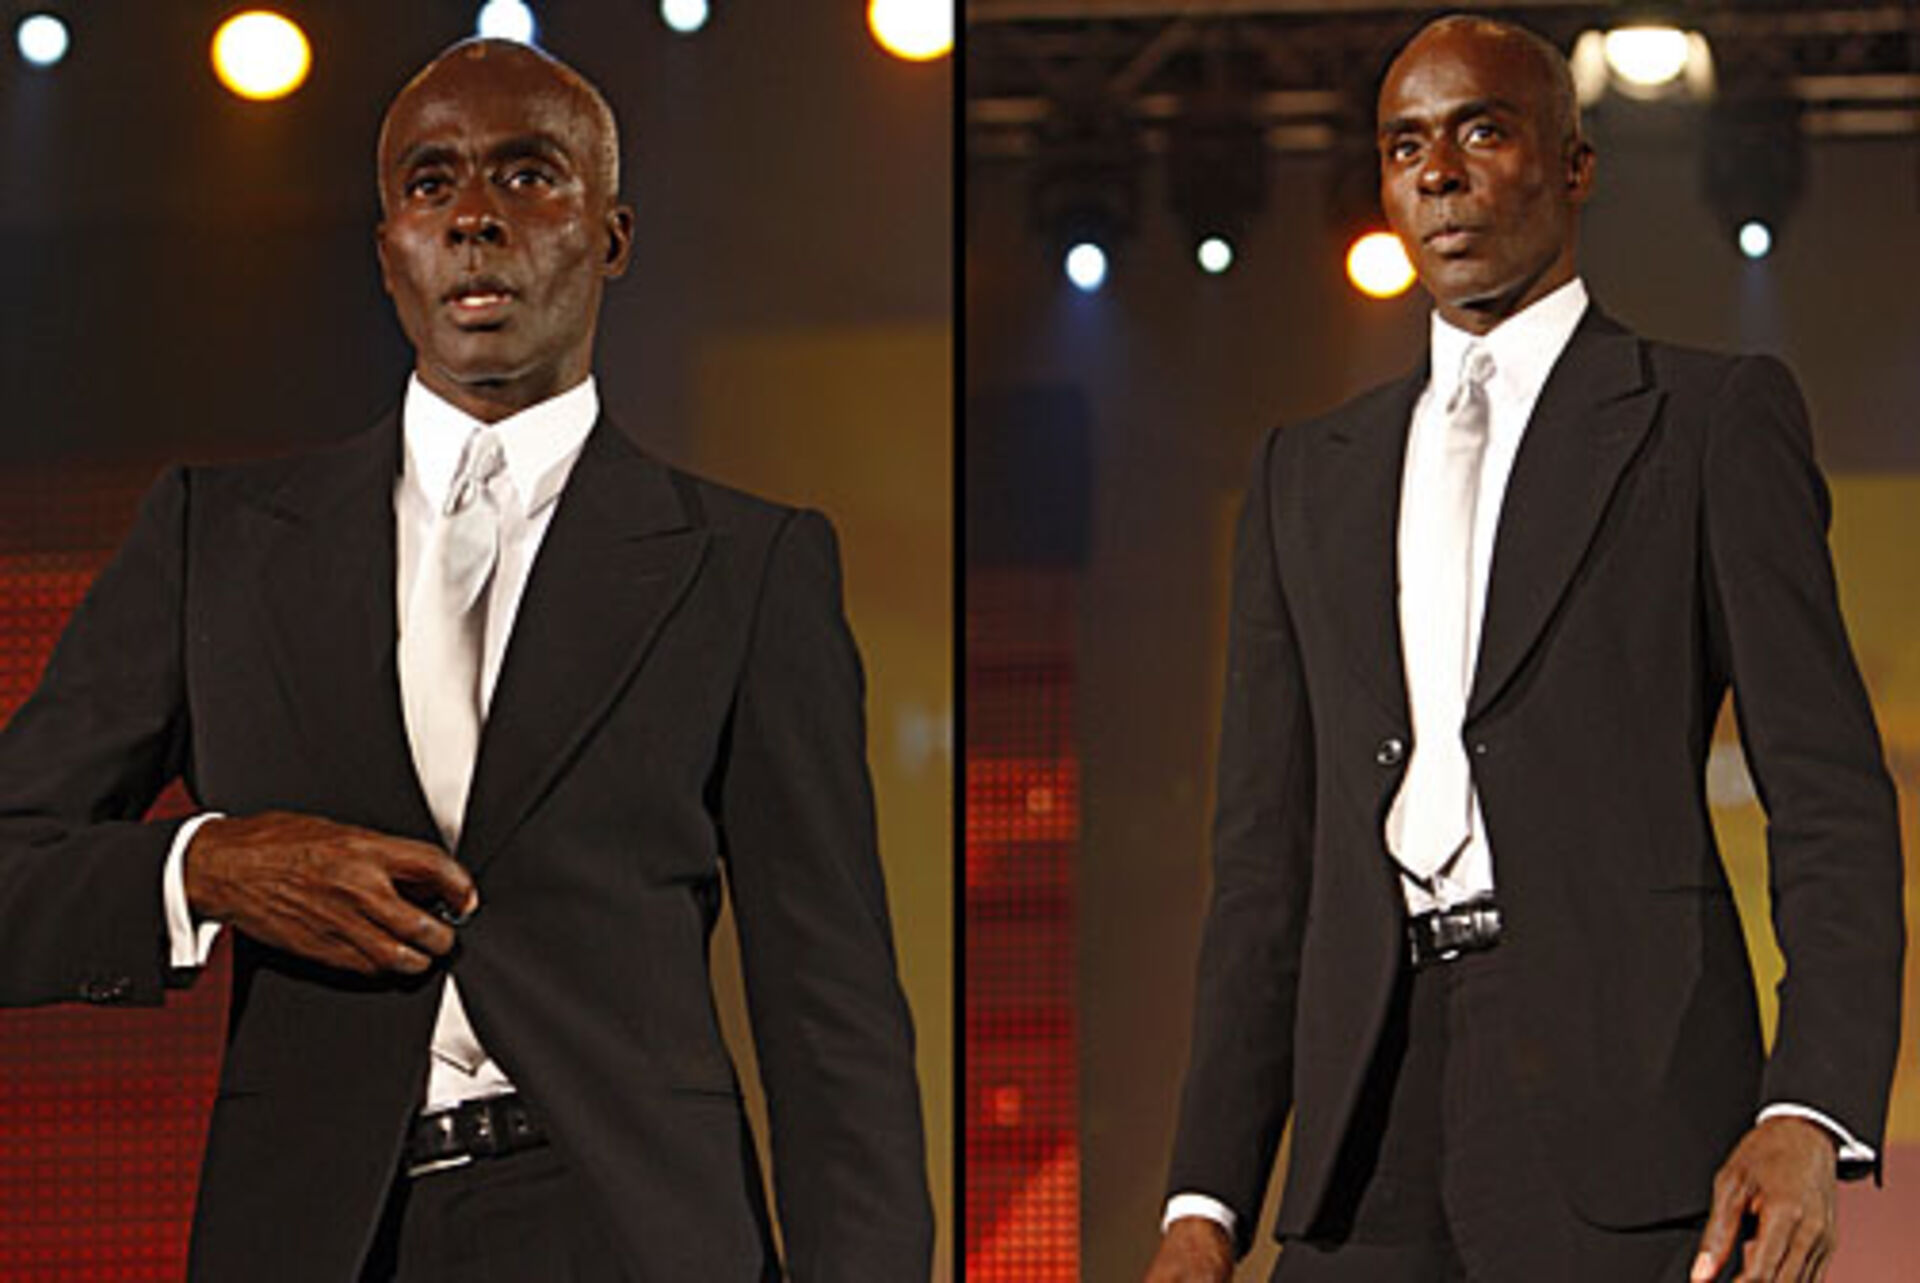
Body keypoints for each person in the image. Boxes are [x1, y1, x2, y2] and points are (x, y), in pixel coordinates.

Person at [0, 38, 931, 1283]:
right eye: (430, 184)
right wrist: (210, 864)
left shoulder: (747, 566)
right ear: (387, 247)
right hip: (318, 1235)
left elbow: (832, 1008)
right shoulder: (212, 540)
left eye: (528, 175)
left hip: (633, 1234)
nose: (474, 217)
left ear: (611, 236)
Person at [1143, 14, 1901, 1283]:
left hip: (1630, 1111)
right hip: (1364, 1119)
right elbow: (1263, 866)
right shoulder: (1305, 475)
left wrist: (1808, 1106)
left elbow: (1829, 795)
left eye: (1481, 132)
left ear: (1574, 164)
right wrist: (1204, 1199)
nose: (1438, 174)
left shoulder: (1705, 420)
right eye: (1404, 147)